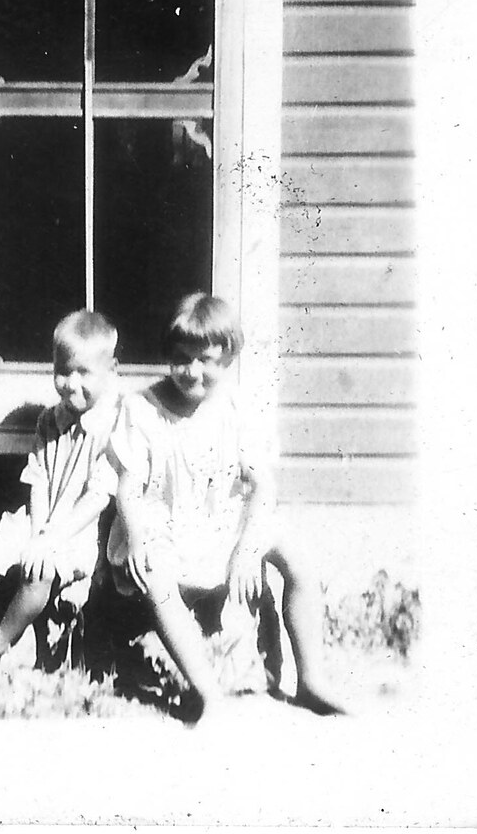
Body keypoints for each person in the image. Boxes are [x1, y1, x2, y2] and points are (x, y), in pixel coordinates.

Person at [106, 292, 345, 719]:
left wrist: (247, 548)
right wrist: (137, 534)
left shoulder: (236, 407)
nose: (192, 371)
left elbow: (262, 485)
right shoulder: (142, 408)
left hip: (221, 519)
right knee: (155, 578)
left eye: (207, 360)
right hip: (162, 521)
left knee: (298, 558)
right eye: (181, 358)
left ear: (229, 357)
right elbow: (128, 488)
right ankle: (209, 694)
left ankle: (312, 679)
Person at [0, 309, 121, 669]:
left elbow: (98, 497)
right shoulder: (50, 420)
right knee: (2, 551)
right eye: (62, 371)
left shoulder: (114, 425)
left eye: (83, 372)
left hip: (81, 529)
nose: (70, 383)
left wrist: (49, 540)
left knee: (42, 568)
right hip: (44, 519)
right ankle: (13, 630)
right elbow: (39, 481)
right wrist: (37, 532)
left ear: (112, 371)